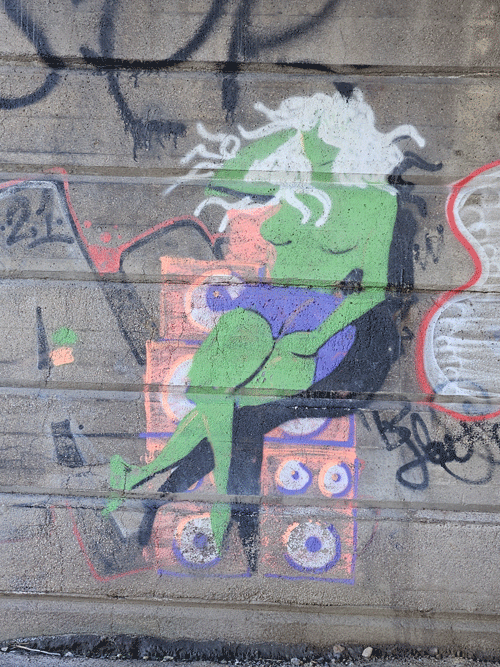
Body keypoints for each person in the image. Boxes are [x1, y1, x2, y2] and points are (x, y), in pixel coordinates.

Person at [104, 88, 438, 555]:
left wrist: (316, 338)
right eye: (308, 130)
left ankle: (161, 487)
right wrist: (284, 134)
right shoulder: (293, 181)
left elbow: (375, 290)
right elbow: (224, 179)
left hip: (318, 318)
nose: (313, 142)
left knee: (235, 407)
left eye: (324, 132)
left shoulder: (376, 204)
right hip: (264, 303)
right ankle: (161, 486)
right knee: (211, 392)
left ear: (350, 138)